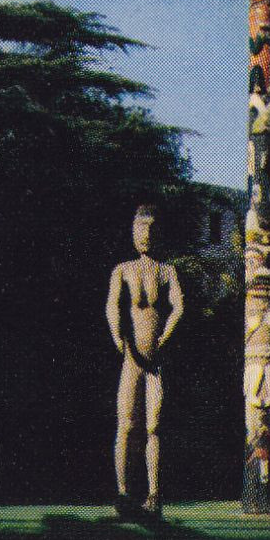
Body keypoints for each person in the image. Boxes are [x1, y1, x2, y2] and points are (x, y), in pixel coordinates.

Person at [105, 204, 184, 518]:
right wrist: (117, 334)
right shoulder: (122, 270)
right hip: (132, 360)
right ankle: (123, 492)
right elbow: (113, 305)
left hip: (155, 362)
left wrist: (165, 335)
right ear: (132, 232)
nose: (145, 235)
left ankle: (154, 494)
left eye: (151, 229)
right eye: (140, 228)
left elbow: (179, 306)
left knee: (154, 426)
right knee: (126, 424)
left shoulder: (167, 271)